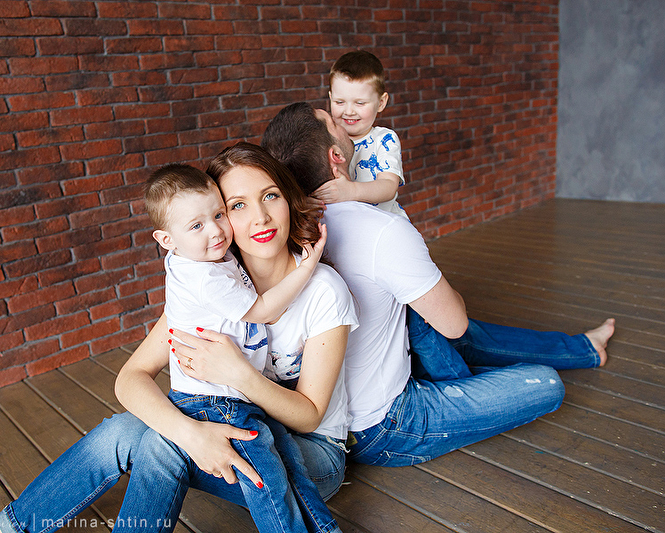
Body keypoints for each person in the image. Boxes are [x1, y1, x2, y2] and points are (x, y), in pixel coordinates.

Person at [0, 144, 357, 533]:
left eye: (270, 196)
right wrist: (192, 436)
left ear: (288, 198)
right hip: (236, 423)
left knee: (159, 445)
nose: (260, 217)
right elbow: (130, 379)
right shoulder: (210, 281)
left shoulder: (323, 290)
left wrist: (239, 375)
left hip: (312, 454)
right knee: (127, 433)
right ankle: (7, 529)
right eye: (237, 205)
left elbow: (310, 416)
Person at [260, 101, 615, 466]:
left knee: (449, 328)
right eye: (333, 121)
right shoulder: (380, 230)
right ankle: (483, 373)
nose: (343, 119)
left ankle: (583, 347)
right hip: (385, 424)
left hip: (344, 410)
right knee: (544, 383)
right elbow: (455, 323)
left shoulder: (277, 235)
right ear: (335, 157)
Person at [123, 163, 336, 533]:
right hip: (218, 403)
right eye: (197, 226)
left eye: (219, 214)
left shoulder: (208, 259)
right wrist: (307, 267)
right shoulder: (205, 276)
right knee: (268, 485)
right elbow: (264, 311)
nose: (216, 230)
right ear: (166, 240)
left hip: (241, 402)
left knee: (288, 471)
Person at [315, 50, 408, 219]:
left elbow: (389, 186)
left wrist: (350, 191)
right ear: (330, 98)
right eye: (339, 102)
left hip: (384, 224)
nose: (349, 111)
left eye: (360, 103)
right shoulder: (324, 140)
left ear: (381, 103)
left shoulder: (384, 139)